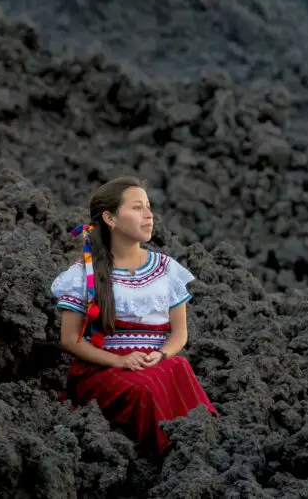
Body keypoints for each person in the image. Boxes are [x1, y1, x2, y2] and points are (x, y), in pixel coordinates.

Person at [50, 176, 217, 457]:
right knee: (146, 388)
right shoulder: (83, 274)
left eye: (149, 207)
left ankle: (202, 446)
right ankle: (166, 454)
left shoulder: (166, 269)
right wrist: (120, 360)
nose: (149, 215)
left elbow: (179, 333)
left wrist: (161, 354)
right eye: (137, 208)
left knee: (179, 368)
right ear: (110, 218)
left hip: (153, 363)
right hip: (103, 369)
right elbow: (69, 340)